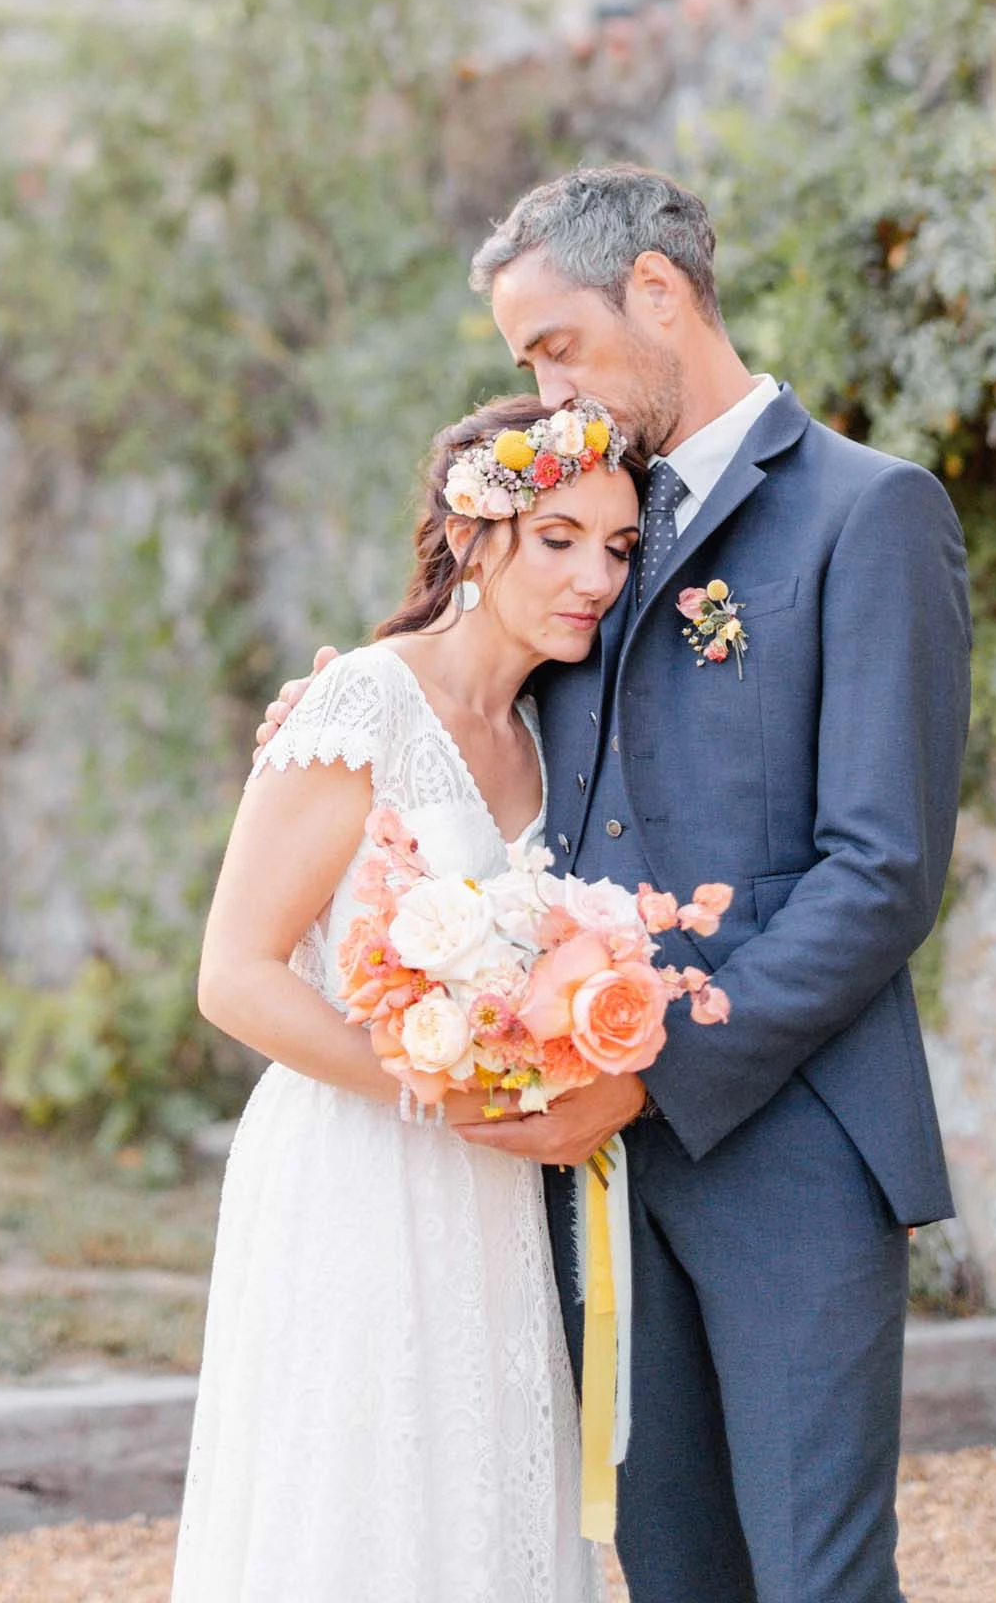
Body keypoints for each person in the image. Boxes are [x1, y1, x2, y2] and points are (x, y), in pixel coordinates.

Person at [257, 166, 971, 1603]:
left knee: (820, 1580)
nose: (540, 383)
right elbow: (481, 737)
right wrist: (359, 714)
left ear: (658, 293)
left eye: (555, 347)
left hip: (795, 1152)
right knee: (670, 1570)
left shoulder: (867, 515)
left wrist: (653, 1070)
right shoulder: (584, 529)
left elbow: (882, 871)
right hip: (587, 1172)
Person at [172, 393, 647, 1603]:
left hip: (492, 1187)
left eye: (619, 546)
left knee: (481, 1501)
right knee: (357, 1501)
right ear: (473, 537)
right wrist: (443, 1078)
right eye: (559, 538)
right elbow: (234, 975)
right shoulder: (360, 705)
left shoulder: (553, 732)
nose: (595, 573)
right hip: (357, 1162)